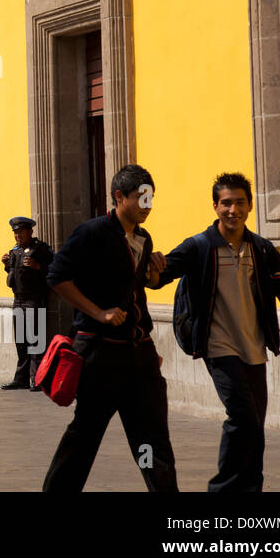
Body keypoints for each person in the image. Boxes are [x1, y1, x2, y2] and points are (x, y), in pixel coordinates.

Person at [157, 172, 280, 492]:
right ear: (215, 206)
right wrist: (148, 263)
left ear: (250, 206)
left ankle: (251, 488)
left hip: (254, 345)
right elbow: (158, 276)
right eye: (226, 203)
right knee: (242, 417)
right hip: (217, 344)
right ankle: (223, 489)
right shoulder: (199, 247)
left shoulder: (263, 250)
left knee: (255, 423)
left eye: (239, 203)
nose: (233, 209)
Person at [42, 164, 177, 492]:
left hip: (139, 358)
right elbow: (57, 276)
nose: (147, 205)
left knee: (150, 440)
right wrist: (98, 312)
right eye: (140, 197)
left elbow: (139, 292)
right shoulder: (91, 233)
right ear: (119, 197)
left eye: (151, 198)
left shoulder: (143, 238)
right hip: (100, 357)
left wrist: (155, 272)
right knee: (85, 437)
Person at [0, 216, 55, 391]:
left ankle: (37, 379)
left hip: (34, 300)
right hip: (19, 300)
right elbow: (14, 273)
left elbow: (55, 269)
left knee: (35, 342)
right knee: (21, 342)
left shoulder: (41, 250)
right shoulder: (15, 251)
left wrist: (38, 266)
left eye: (20, 232)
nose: (17, 236)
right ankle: (21, 378)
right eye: (15, 233)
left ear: (30, 232)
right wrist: (5, 264)